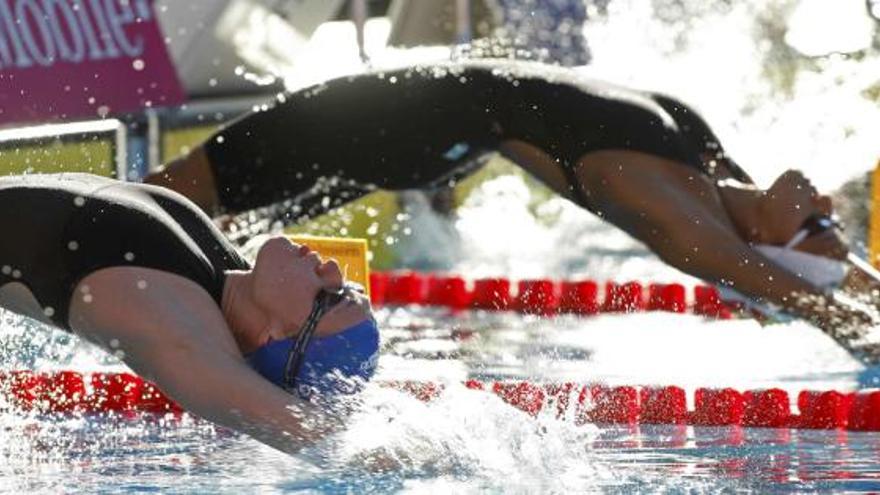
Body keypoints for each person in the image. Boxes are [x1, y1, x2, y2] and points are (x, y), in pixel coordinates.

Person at [146, 59, 880, 361]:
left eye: (815, 226)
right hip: (421, 118)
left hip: (392, 120)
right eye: (833, 227)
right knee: (212, 223)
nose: (825, 205)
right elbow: (821, 276)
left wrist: (835, 316)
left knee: (177, 195)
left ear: (758, 244)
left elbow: (728, 261)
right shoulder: (711, 171)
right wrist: (852, 286)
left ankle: (135, 285)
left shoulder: (662, 200)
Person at [0, 173, 380, 454]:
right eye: (351, 287)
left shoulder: (173, 324)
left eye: (331, 298)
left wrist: (427, 460)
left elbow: (326, 442)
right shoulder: (223, 277)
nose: (333, 270)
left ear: (273, 337)